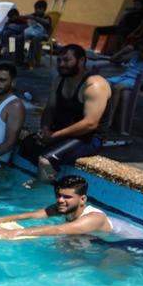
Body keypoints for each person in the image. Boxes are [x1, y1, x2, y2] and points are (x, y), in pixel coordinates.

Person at [0, 176, 143, 250]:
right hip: (104, 238)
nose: (60, 200)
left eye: (67, 197)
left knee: (107, 271)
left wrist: (14, 233)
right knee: (64, 243)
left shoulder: (94, 218)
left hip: (136, 244)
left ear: (83, 199)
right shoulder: (65, 207)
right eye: (58, 195)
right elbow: (32, 215)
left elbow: (59, 229)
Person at [18, 45, 111, 185]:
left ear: (81, 61)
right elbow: (50, 108)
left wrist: (54, 137)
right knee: (27, 145)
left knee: (46, 159)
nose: (61, 64)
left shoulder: (95, 85)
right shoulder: (60, 80)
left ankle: (42, 190)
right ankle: (52, 177)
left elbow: (90, 124)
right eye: (59, 60)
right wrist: (45, 130)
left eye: (67, 60)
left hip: (88, 138)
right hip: (62, 132)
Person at [105, 37, 143, 135]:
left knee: (117, 87)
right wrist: (123, 51)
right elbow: (113, 59)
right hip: (123, 77)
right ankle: (100, 113)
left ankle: (110, 118)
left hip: (136, 81)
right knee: (102, 83)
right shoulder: (135, 55)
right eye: (140, 50)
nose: (141, 53)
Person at [14, 0, 54, 65]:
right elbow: (27, 19)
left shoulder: (46, 17)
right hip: (32, 33)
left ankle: (32, 60)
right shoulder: (34, 14)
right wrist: (24, 18)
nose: (37, 10)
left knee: (34, 40)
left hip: (43, 36)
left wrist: (35, 18)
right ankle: (19, 58)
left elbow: (46, 23)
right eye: (36, 9)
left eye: (39, 9)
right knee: (19, 38)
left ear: (43, 9)